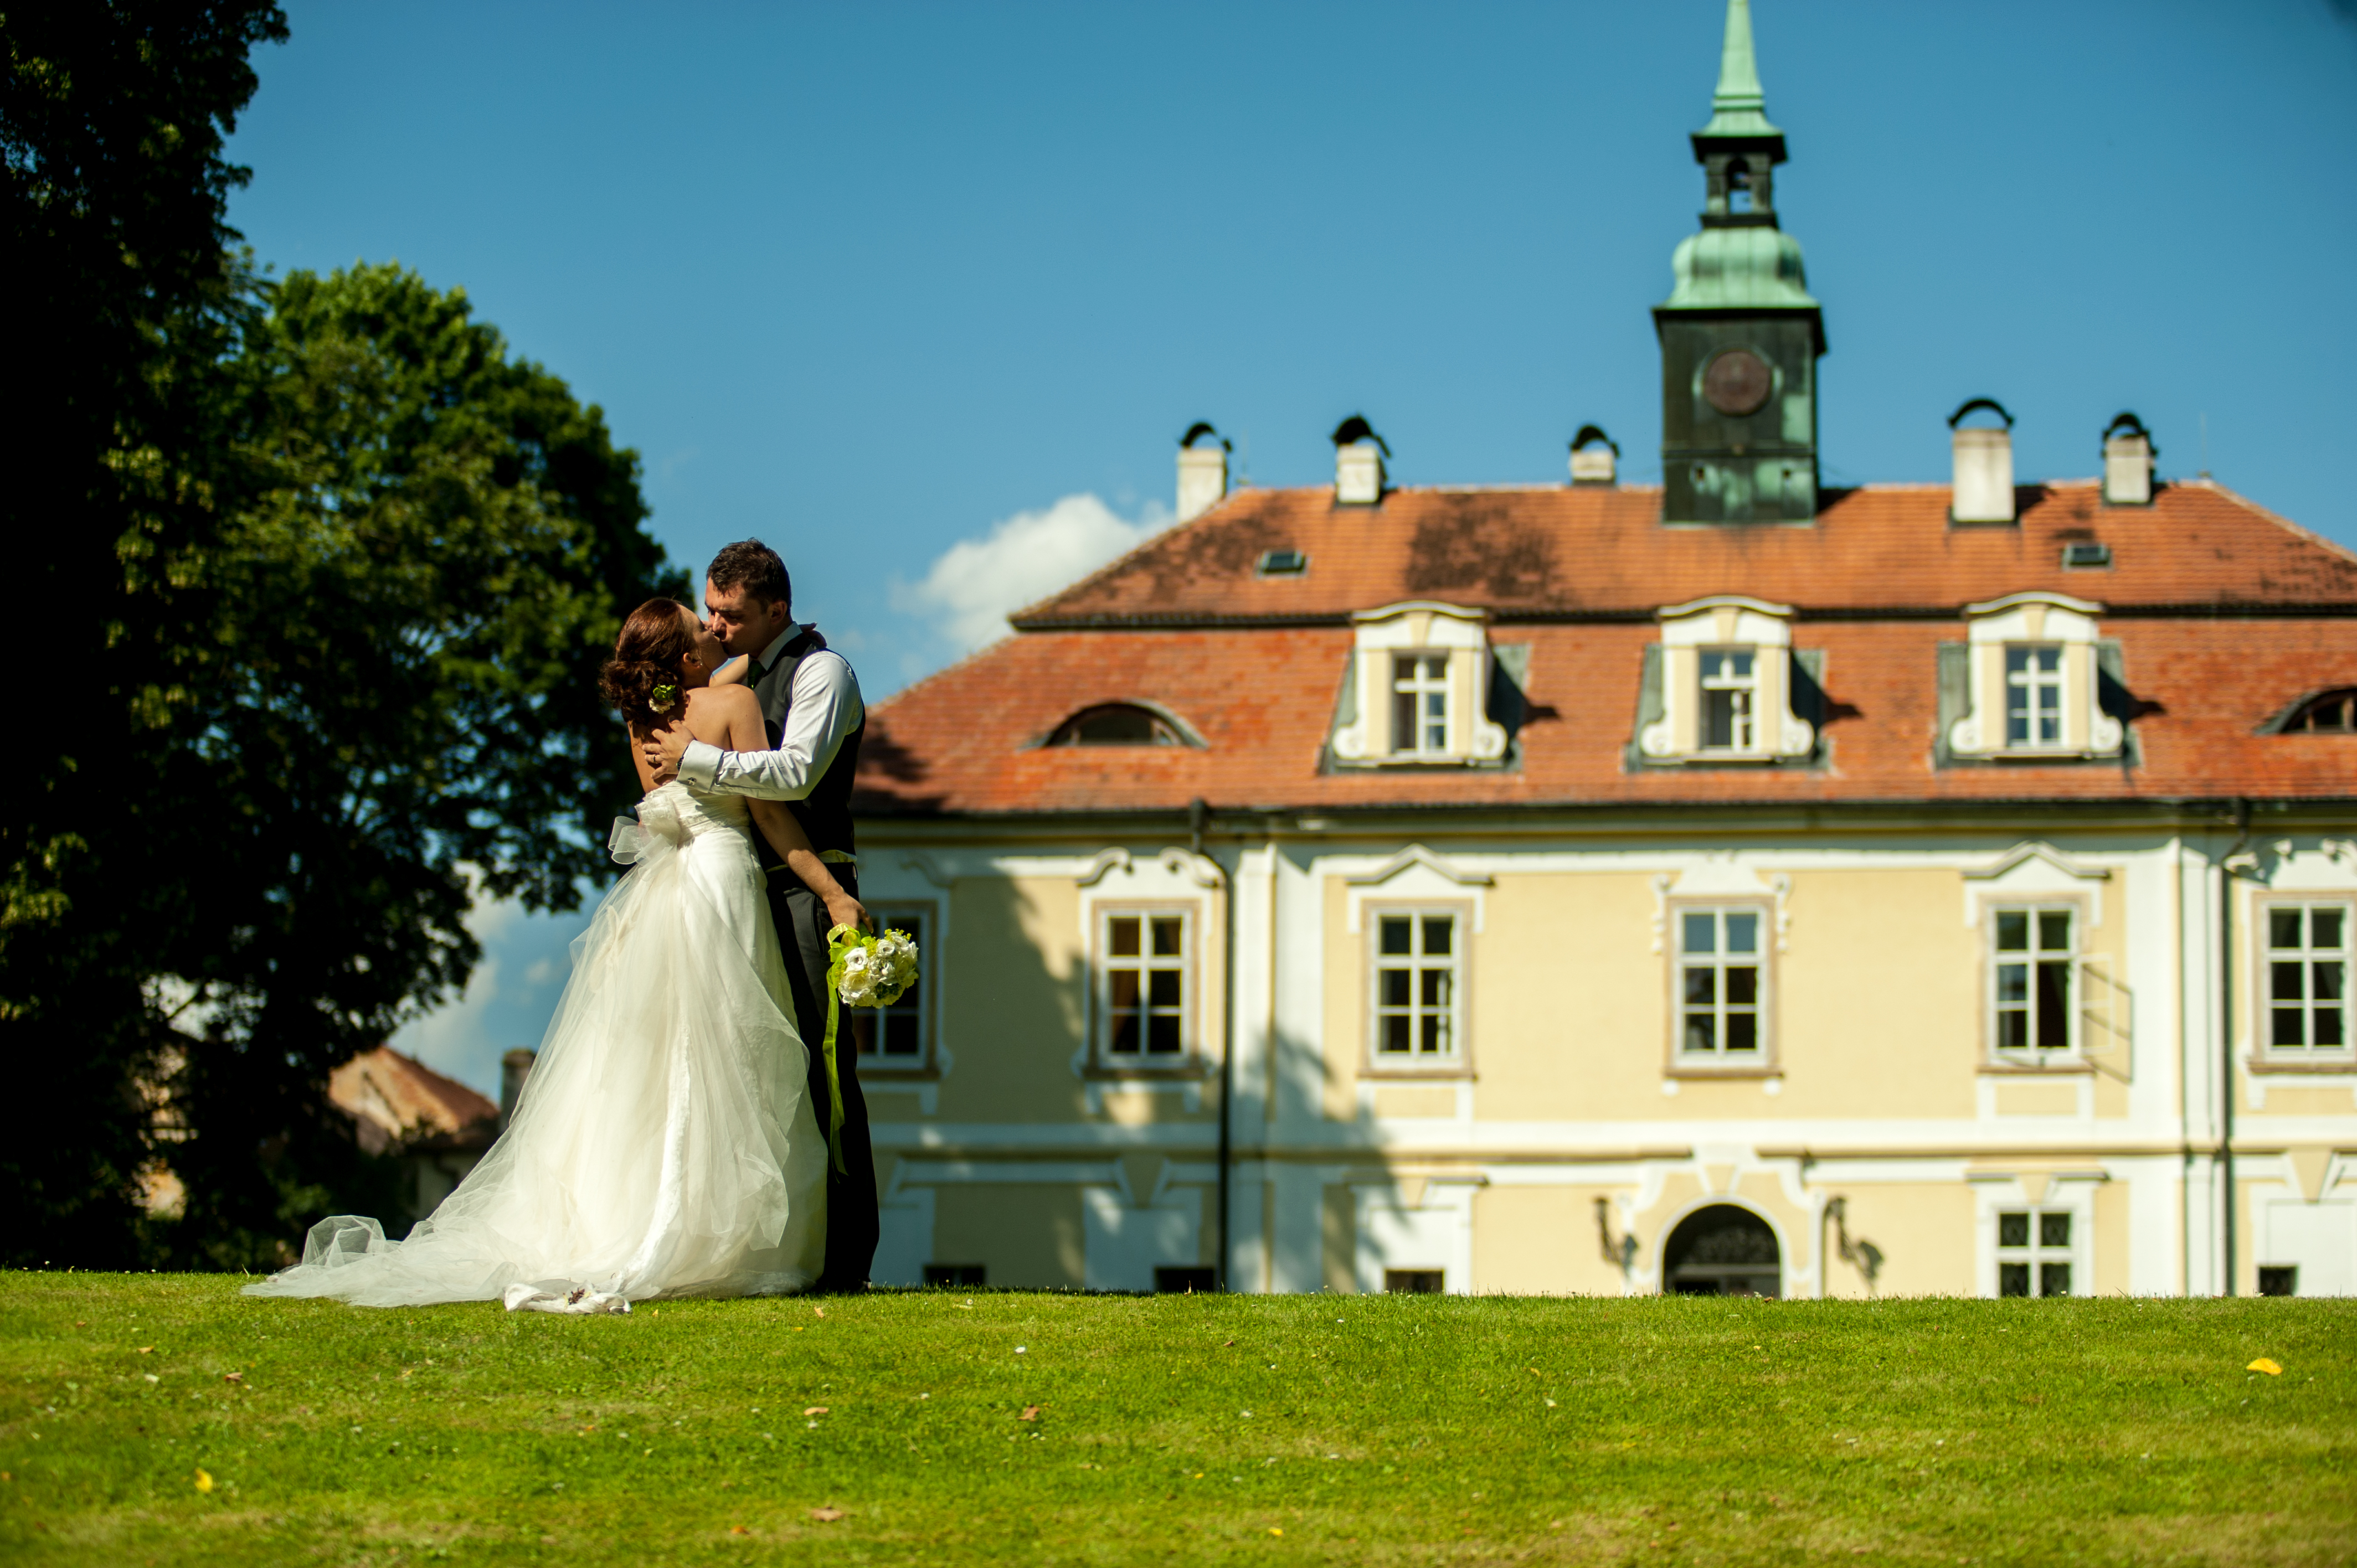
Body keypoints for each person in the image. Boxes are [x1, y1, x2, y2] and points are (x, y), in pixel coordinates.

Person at [245, 600, 863, 1310]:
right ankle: (714, 1240)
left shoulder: (645, 718)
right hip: (721, 883)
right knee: (733, 1056)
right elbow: (769, 810)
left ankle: (635, 1220)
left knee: (647, 1069)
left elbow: (669, 779)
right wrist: (830, 891)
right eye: (704, 629)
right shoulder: (731, 702)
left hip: (662, 890)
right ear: (690, 657)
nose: (717, 634)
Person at [642, 539, 879, 1293]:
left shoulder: (823, 672)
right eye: (707, 610)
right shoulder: (736, 675)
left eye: (730, 614)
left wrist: (696, 761)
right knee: (754, 1072)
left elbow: (796, 772)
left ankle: (845, 1259)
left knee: (824, 1071)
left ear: (776, 607)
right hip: (738, 891)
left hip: (809, 892)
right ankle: (779, 1250)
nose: (713, 626)